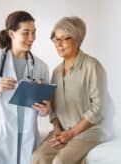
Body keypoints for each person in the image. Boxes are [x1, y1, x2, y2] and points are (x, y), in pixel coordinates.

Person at [0, 11, 51, 164]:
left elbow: (45, 107)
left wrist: (46, 109)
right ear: (12, 33)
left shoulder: (40, 67)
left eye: (34, 32)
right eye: (26, 32)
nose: (32, 38)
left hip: (25, 136)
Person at [32, 16, 104, 164]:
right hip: (63, 132)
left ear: (77, 40)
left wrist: (71, 133)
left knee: (60, 161)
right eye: (55, 39)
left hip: (87, 133)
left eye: (64, 39)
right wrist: (57, 127)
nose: (58, 44)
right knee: (38, 157)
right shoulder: (57, 72)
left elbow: (98, 108)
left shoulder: (92, 66)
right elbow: (54, 109)